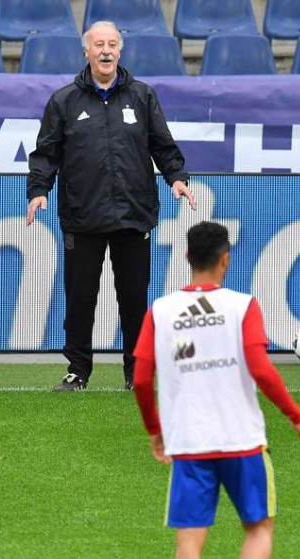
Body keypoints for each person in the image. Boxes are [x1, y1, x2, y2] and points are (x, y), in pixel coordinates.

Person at [132, 221, 300, 559]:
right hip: (242, 442)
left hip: (190, 446)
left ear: (187, 258)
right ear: (225, 258)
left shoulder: (160, 310)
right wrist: (296, 416)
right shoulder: (242, 306)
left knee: (189, 543)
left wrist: (155, 430)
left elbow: (140, 378)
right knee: (258, 529)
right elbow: (261, 368)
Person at [27, 20, 196, 392]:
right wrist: (39, 190)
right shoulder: (64, 100)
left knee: (134, 299)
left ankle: (136, 373)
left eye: (112, 44)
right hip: (82, 217)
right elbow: (45, 154)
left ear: (121, 50)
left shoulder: (143, 96)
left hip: (134, 217)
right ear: (86, 51)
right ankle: (78, 371)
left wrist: (177, 178)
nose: (106, 51)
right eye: (99, 44)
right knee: (80, 298)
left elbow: (162, 146)